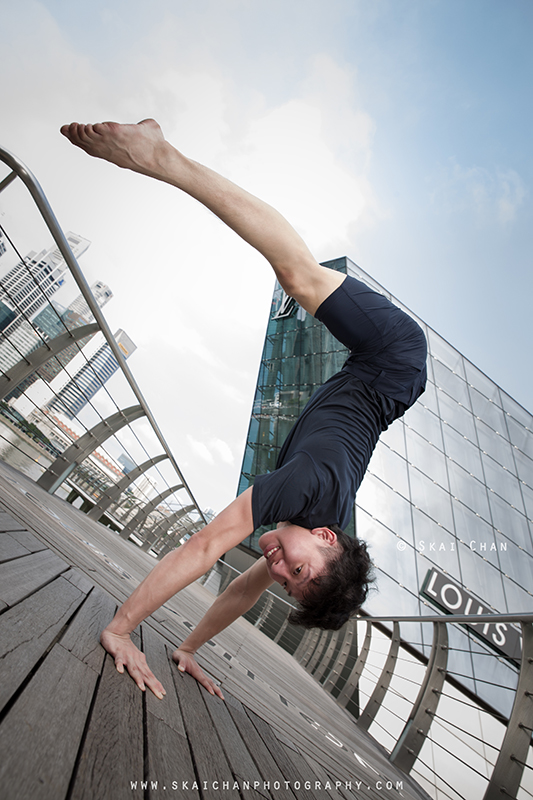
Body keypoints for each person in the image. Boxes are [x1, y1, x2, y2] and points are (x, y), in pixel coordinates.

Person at [60, 119, 427, 701]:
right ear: (330, 539)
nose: (278, 569)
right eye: (296, 571)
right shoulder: (308, 488)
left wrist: (186, 648)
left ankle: (160, 149)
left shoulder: (303, 531)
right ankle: (160, 155)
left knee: (301, 279)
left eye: (288, 583)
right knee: (298, 275)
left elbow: (240, 590)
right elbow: (205, 547)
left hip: (381, 383)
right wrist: (120, 628)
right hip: (395, 359)